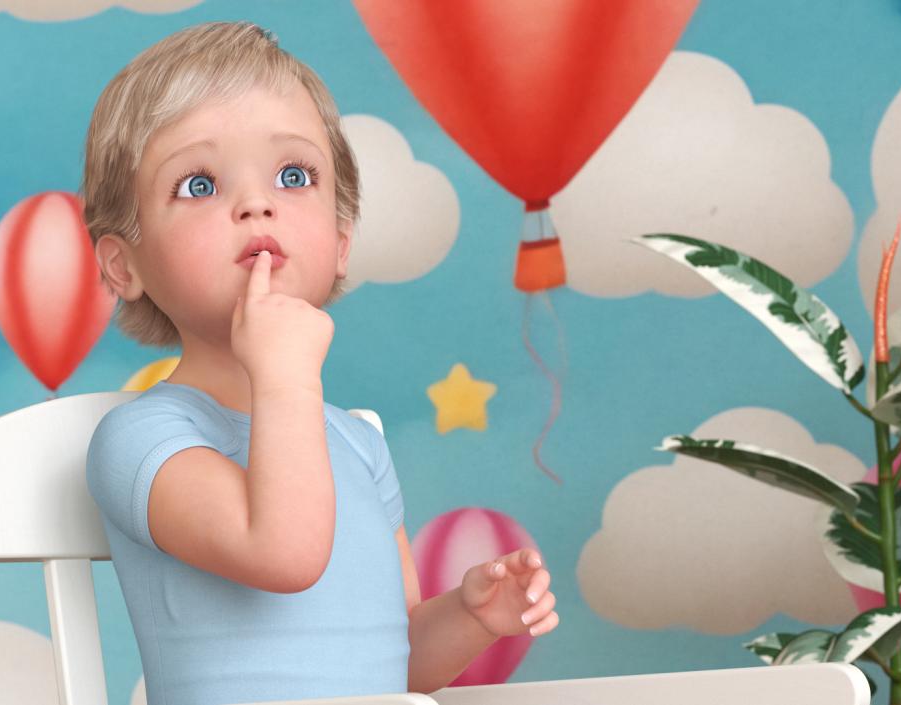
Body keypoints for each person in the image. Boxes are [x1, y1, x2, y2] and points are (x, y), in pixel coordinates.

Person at [82, 20, 558, 705]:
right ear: (124, 264)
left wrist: (468, 616)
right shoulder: (141, 440)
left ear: (339, 243)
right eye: (198, 184)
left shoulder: (355, 444)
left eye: (293, 174)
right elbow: (283, 554)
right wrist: (283, 375)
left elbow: (394, 666)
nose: (256, 203)